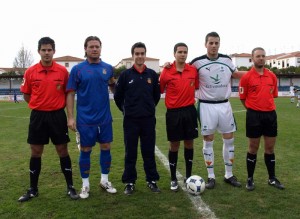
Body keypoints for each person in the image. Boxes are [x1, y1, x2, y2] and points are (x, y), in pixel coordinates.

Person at [18, 37, 79, 202]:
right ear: (39, 51)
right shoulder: (30, 71)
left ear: (54, 51)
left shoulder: (62, 72)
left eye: (49, 50)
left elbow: (69, 94)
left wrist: (70, 116)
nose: (46, 53)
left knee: (62, 151)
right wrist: (39, 105)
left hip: (57, 116)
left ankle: (70, 187)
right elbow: (26, 94)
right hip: (38, 116)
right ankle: (33, 189)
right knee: (36, 151)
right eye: (43, 50)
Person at [189, 32, 244, 189]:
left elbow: (237, 74)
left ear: (219, 44)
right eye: (211, 43)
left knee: (229, 139)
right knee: (208, 140)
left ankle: (229, 174)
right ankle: (211, 176)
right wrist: (168, 65)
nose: (214, 46)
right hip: (206, 106)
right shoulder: (196, 63)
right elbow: (184, 72)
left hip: (224, 105)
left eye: (216, 43)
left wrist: (257, 72)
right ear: (205, 44)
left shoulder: (227, 60)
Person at [66, 36, 117, 199]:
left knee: (106, 147)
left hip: (104, 118)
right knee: (86, 150)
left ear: (101, 48)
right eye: (91, 47)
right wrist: (71, 117)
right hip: (85, 120)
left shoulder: (108, 68)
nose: (94, 49)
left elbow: (112, 85)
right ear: (85, 49)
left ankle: (104, 180)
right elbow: (71, 93)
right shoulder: (77, 70)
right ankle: (85, 185)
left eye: (97, 46)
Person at [114, 42, 161, 195]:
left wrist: (148, 108)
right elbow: (118, 97)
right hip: (131, 120)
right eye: (137, 54)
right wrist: (126, 110)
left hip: (148, 120)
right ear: (133, 55)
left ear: (145, 55)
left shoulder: (152, 75)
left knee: (148, 151)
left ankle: (151, 180)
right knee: (130, 152)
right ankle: (129, 182)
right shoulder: (125, 75)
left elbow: (156, 96)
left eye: (142, 53)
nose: (140, 56)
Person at [239, 47, 284, 191]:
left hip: (270, 115)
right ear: (253, 58)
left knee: (270, 148)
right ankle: (250, 179)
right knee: (253, 148)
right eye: (258, 56)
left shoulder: (272, 76)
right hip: (254, 115)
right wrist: (252, 110)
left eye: (263, 56)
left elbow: (273, 95)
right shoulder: (246, 77)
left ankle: (271, 178)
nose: (261, 58)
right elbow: (242, 97)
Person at [159, 43, 199, 191]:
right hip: (173, 113)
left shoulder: (193, 70)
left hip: (189, 111)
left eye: (185, 52)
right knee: (174, 145)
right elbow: (161, 89)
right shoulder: (166, 71)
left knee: (189, 143)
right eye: (180, 52)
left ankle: (188, 176)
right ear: (174, 54)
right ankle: (173, 178)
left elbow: (196, 87)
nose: (182, 54)